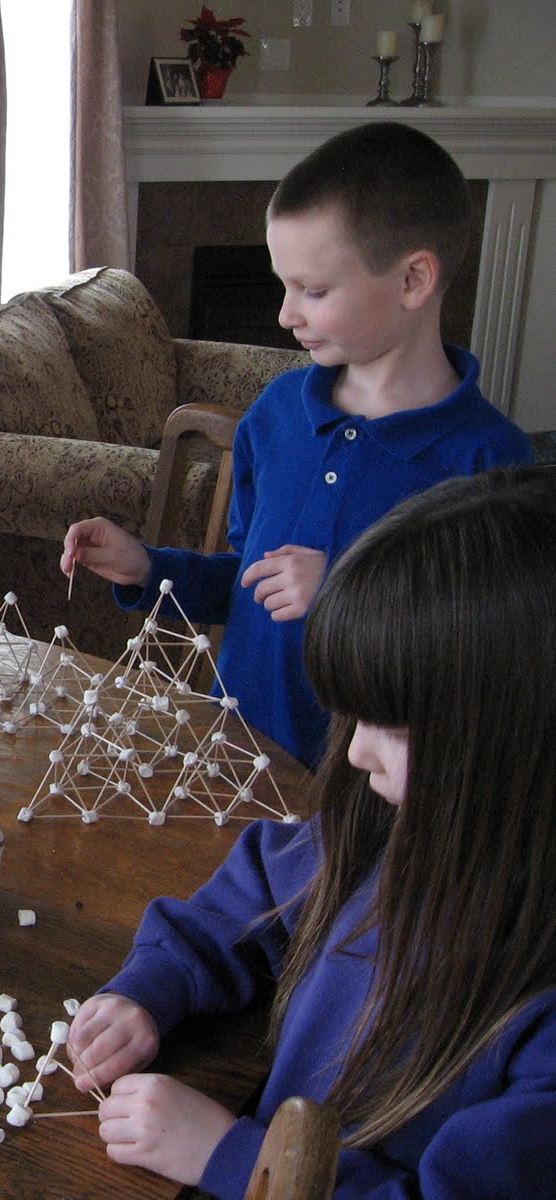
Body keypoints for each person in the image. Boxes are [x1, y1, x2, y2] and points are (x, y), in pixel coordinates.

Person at [65, 466, 556, 1198]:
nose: (355, 754)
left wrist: (238, 1158)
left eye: (393, 728)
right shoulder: (389, 826)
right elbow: (260, 889)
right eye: (354, 717)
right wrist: (152, 987)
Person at [60, 122, 530, 767]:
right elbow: (251, 583)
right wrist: (149, 568)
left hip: (371, 797)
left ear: (414, 280)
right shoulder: (277, 415)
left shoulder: (490, 465)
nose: (286, 314)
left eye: (314, 290)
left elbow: (488, 667)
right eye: (284, 285)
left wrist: (343, 594)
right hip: (234, 761)